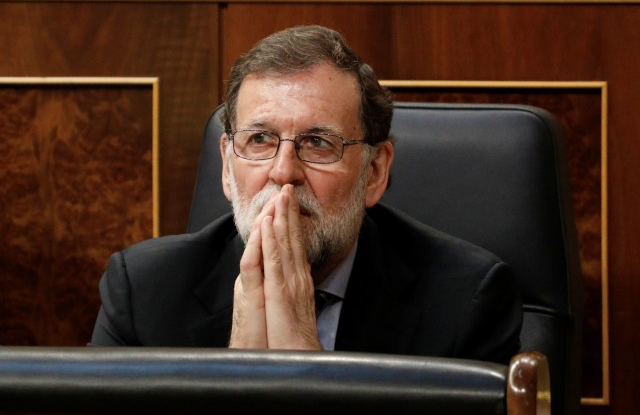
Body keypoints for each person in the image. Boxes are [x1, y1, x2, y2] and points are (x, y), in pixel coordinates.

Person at [91, 25, 522, 364]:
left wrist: (304, 370)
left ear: (374, 172)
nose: (283, 173)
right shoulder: (144, 292)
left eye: (318, 143)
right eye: (259, 139)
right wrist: (233, 378)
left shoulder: (467, 301)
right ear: (226, 165)